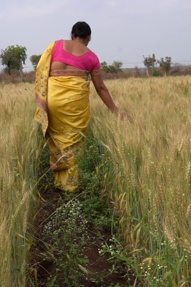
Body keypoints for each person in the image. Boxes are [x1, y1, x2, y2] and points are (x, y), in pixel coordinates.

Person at [34, 21, 126, 192]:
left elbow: (41, 70)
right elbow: (100, 88)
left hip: (54, 100)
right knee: (74, 141)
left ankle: (59, 180)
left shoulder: (55, 46)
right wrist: (115, 110)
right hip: (75, 106)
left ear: (72, 34)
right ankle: (71, 185)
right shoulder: (92, 57)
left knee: (58, 139)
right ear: (89, 37)